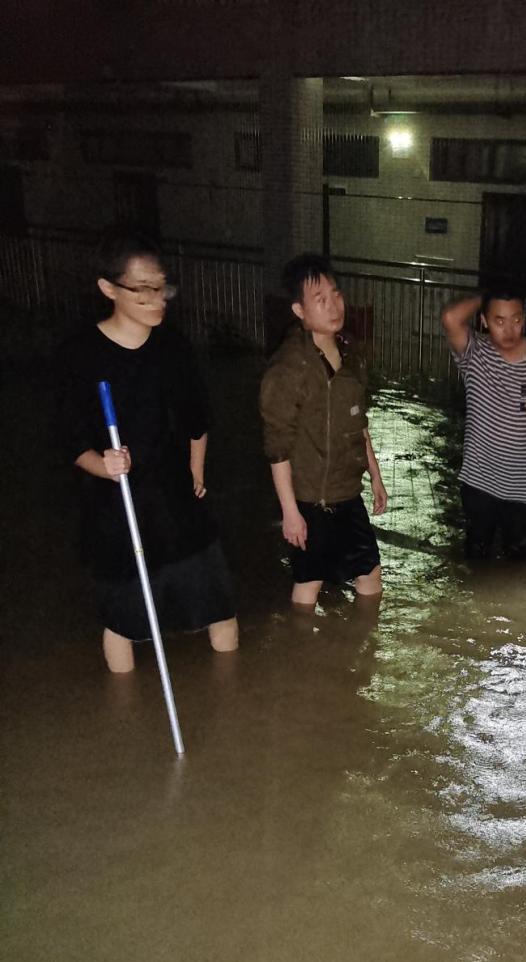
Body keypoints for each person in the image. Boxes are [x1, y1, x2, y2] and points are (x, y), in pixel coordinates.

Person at [60, 229, 238, 674]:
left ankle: (233, 693)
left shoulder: (174, 347)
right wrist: (102, 464)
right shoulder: (82, 354)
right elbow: (68, 438)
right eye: (143, 289)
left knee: (219, 606)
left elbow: (198, 419)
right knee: (124, 619)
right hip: (118, 507)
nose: (158, 299)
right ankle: (124, 705)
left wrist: (197, 471)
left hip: (177, 501)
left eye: (162, 287)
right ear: (109, 288)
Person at [260, 254, 387, 608]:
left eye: (336, 294)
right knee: (309, 582)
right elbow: (277, 446)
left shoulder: (351, 355)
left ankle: (362, 641)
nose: (333, 305)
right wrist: (290, 513)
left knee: (370, 576)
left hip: (348, 494)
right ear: (299, 310)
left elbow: (359, 424)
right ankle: (300, 642)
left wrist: (376, 477)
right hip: (311, 499)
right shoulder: (289, 368)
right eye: (320, 299)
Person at [441, 287, 526, 560]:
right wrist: (485, 294)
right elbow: (450, 317)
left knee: (516, 560)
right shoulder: (474, 354)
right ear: (484, 320)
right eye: (499, 321)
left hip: (523, 485)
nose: (510, 330)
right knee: (476, 555)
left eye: (516, 320)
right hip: (479, 480)